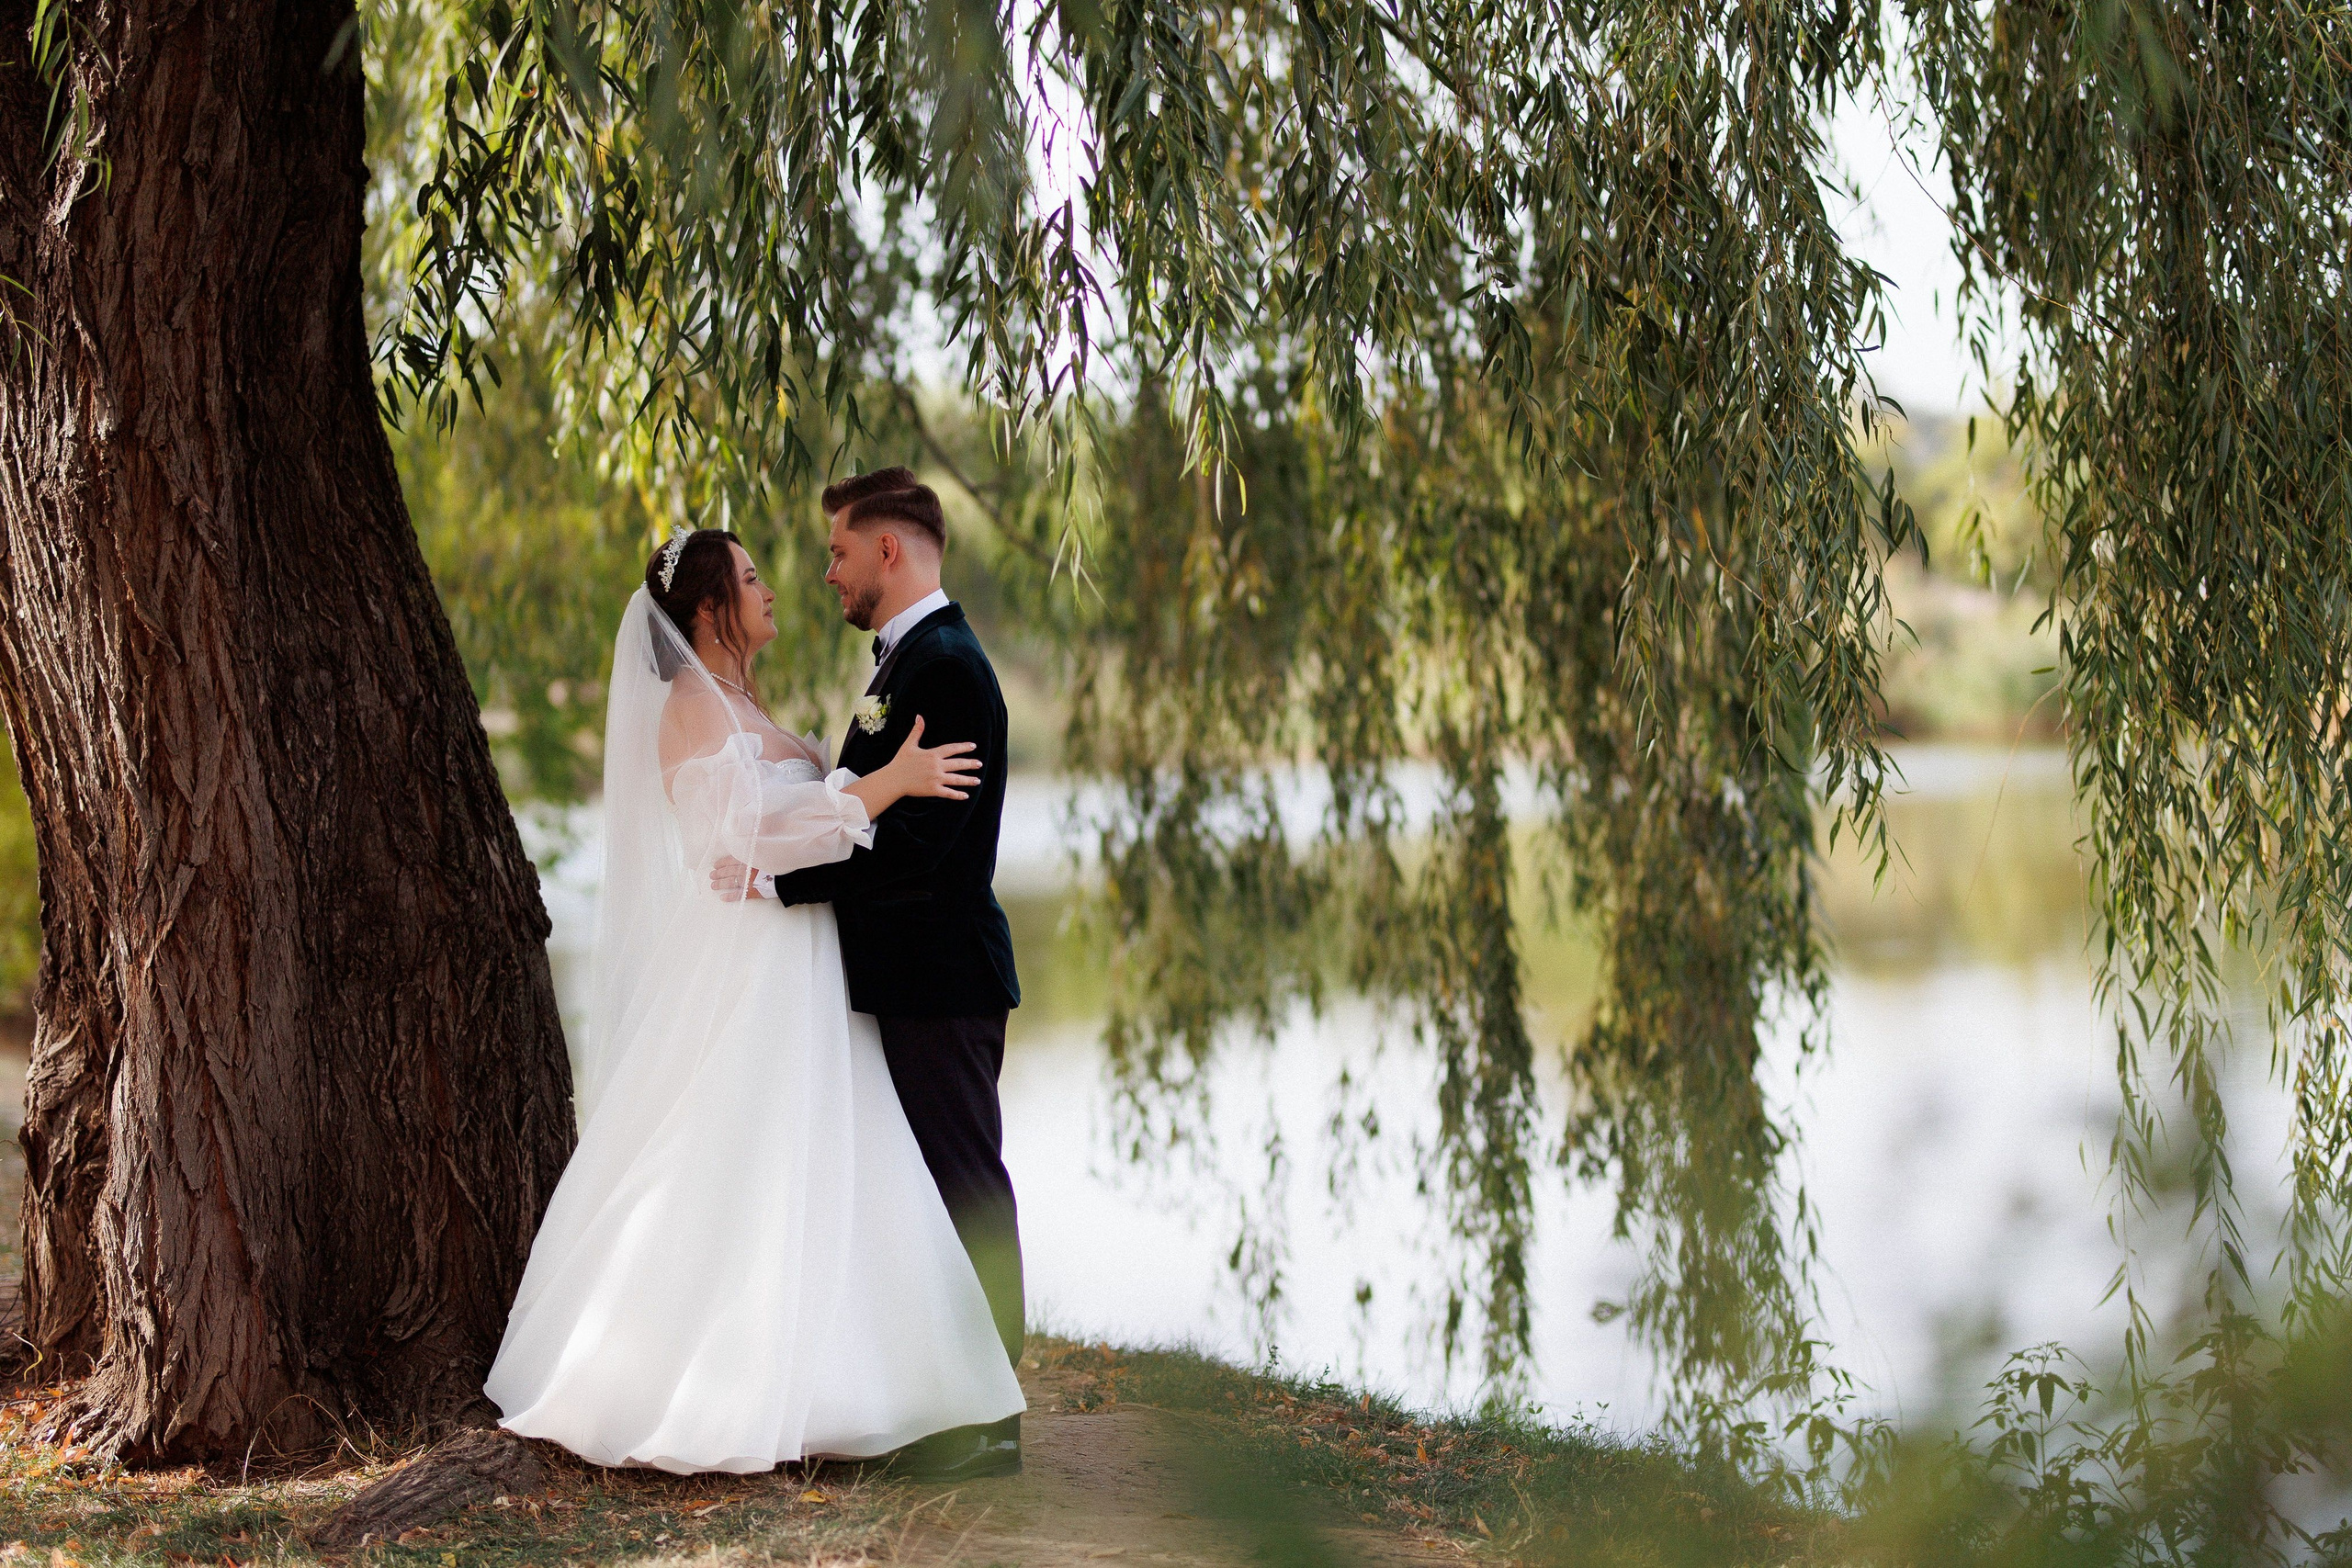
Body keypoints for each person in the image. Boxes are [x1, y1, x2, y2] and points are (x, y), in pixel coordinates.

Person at [484, 528, 1025, 1474]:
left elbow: (786, 826)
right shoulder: (691, 706)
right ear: (707, 608)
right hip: (748, 961)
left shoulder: (739, 699)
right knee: (740, 1151)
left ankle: (871, 1382)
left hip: (804, 956)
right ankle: (708, 1379)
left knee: (829, 1155)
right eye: (750, 578)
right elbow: (743, 838)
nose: (773, 589)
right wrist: (883, 787)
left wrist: (863, 793)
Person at [713, 469, 1025, 1481]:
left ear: (888, 551)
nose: (826, 573)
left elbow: (919, 852)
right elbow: (874, 812)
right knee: (925, 1195)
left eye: (838, 552)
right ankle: (948, 1401)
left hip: (942, 982)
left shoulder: (945, 669)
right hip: (908, 981)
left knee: (964, 1186)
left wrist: (773, 886)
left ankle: (992, 1421)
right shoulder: (911, 660)